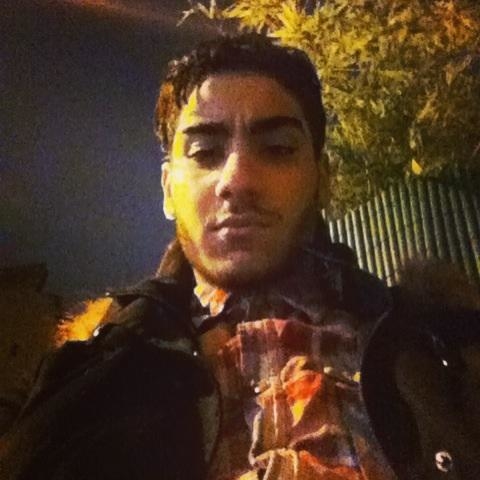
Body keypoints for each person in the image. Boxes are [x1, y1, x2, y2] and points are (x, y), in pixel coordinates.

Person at [1, 33, 480, 480]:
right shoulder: (85, 376)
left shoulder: (446, 343)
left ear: (323, 180)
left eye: (278, 148)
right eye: (205, 152)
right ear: (168, 190)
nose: (237, 179)